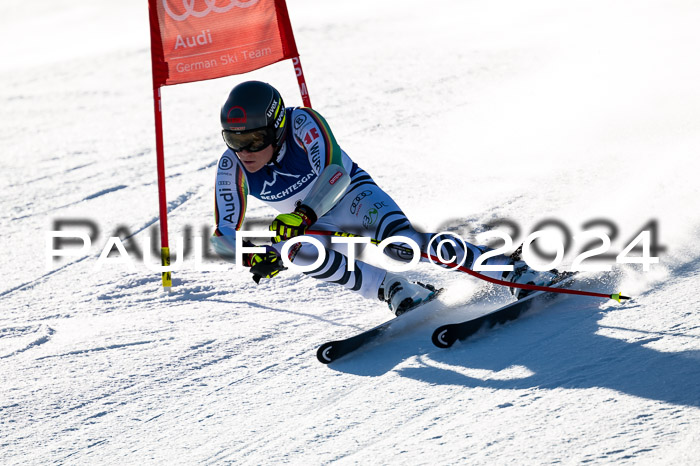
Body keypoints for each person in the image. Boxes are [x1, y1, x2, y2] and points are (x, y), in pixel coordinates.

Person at [211, 81, 560, 315]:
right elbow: (223, 234)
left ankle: (509, 269)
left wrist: (301, 216)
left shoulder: (303, 122)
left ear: (276, 126)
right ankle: (394, 288)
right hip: (309, 221)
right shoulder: (232, 166)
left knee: (401, 244)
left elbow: (335, 172)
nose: (244, 151)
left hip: (349, 195)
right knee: (299, 253)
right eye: (233, 139)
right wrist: (252, 256)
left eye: (253, 139)